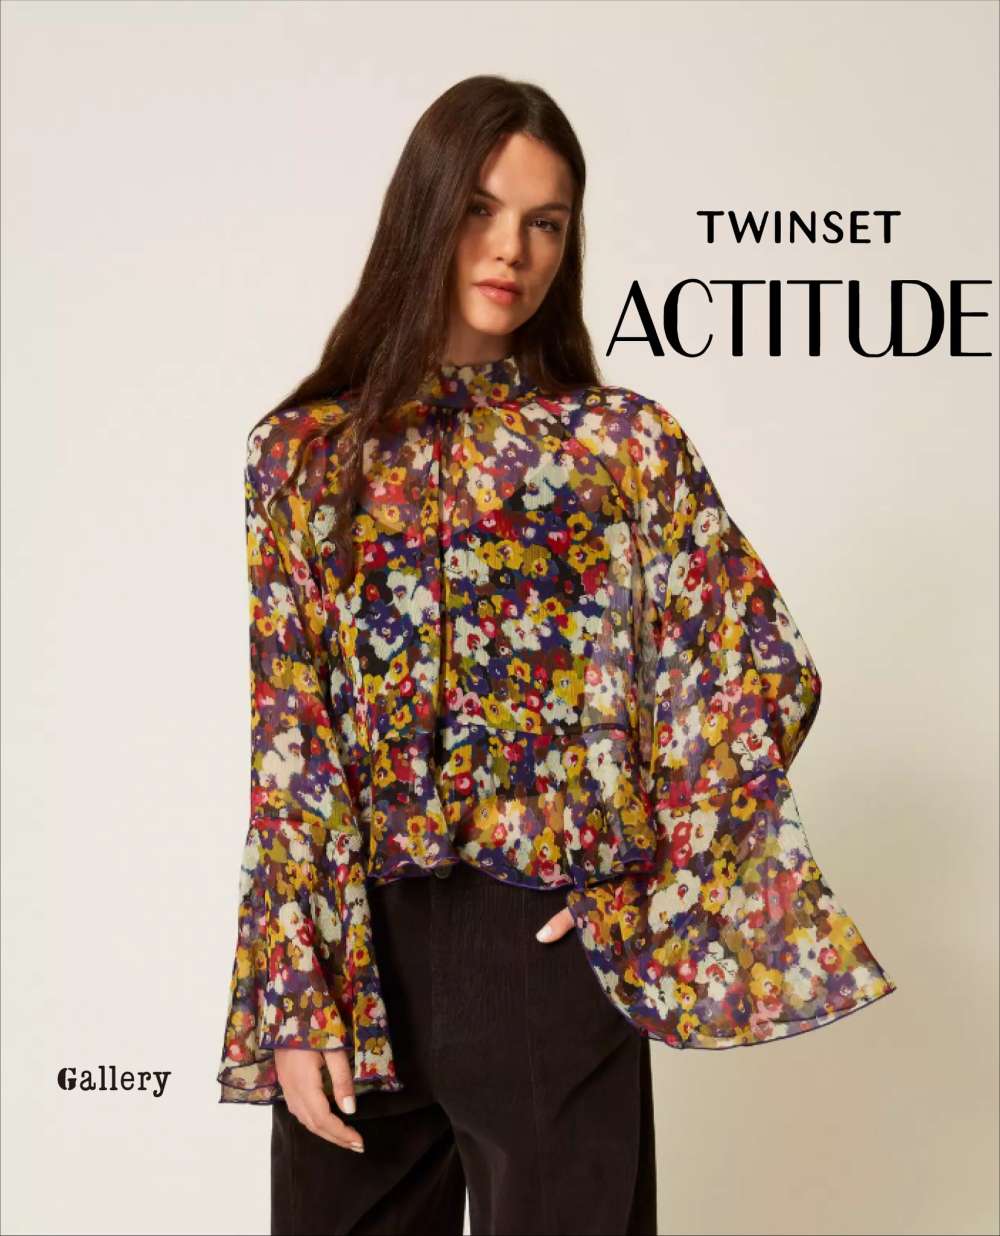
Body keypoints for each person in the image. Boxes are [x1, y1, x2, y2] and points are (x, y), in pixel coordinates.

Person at [217, 75, 897, 1236]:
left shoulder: (618, 445)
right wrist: (293, 992)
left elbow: (763, 667)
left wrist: (644, 869)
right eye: (480, 211)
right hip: (358, 949)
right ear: (423, 214)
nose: (511, 250)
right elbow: (292, 747)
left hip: (547, 949)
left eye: (546, 222)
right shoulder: (301, 456)